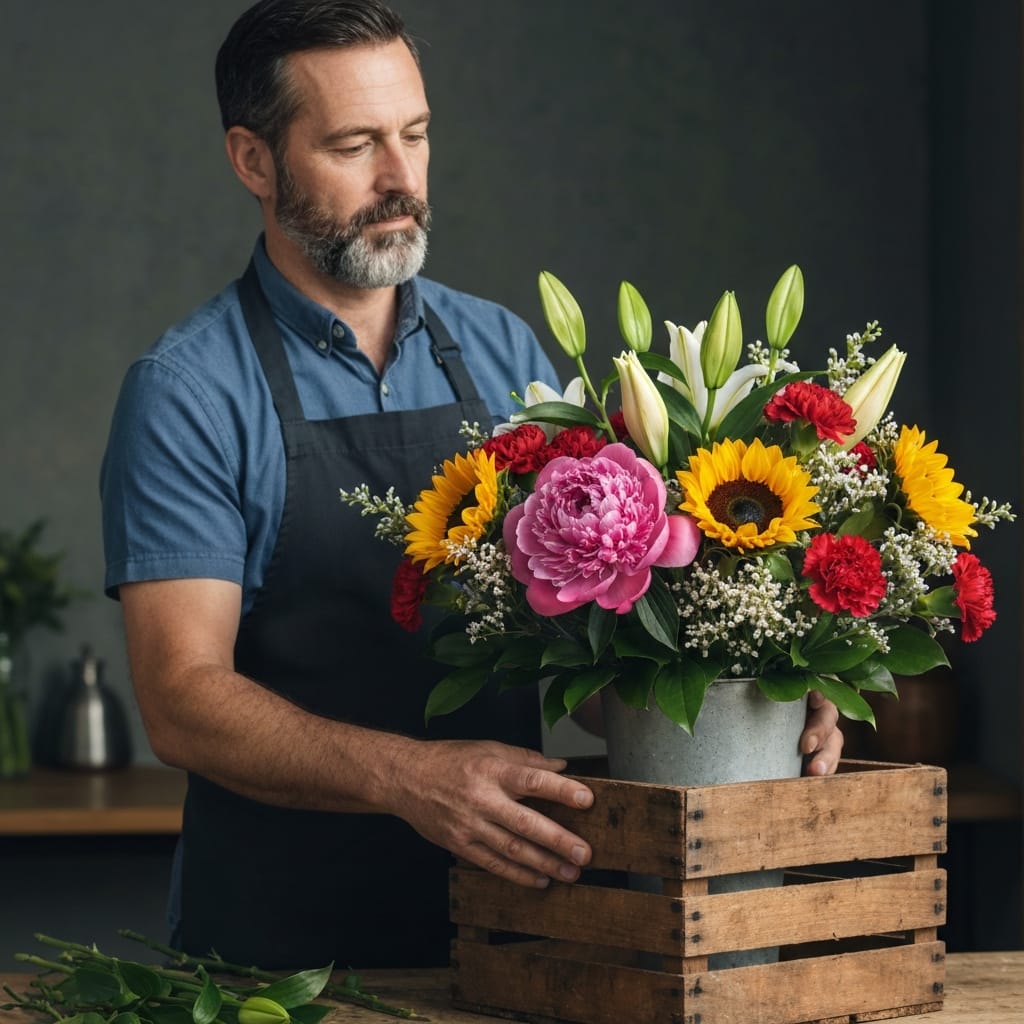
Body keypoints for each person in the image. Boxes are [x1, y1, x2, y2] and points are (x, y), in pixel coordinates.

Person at [100, 0, 843, 970]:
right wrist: (410, 777)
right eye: (354, 144)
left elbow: (586, 662)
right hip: (277, 963)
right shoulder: (189, 391)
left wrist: (753, 700)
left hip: (518, 936)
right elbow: (181, 697)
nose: (400, 178)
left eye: (414, 135)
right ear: (253, 161)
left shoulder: (504, 354)